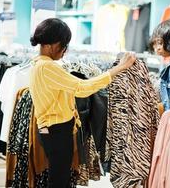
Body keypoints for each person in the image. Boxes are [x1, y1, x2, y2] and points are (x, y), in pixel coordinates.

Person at [29, 18, 136, 188]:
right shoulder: (47, 68)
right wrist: (118, 69)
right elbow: (82, 87)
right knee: (59, 181)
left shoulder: (38, 65)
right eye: (63, 44)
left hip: (52, 130)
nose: (65, 50)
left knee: (59, 178)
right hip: (56, 131)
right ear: (50, 44)